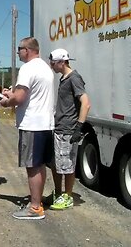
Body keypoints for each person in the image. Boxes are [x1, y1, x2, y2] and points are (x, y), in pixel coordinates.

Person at [0, 37, 55, 220]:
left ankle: (35, 207)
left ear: (27, 50)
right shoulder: (45, 68)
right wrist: (13, 94)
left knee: (32, 166)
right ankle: (37, 201)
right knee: (39, 165)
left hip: (32, 125)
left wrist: (7, 101)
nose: (18, 52)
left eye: (19, 49)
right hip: (46, 125)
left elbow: (20, 98)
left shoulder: (27, 68)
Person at [47, 48, 91, 210]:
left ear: (62, 62)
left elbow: (86, 103)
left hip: (68, 130)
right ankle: (58, 193)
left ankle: (68, 196)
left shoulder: (74, 78)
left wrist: (79, 127)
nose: (51, 65)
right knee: (56, 164)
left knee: (67, 165)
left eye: (53, 63)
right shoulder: (64, 78)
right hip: (59, 128)